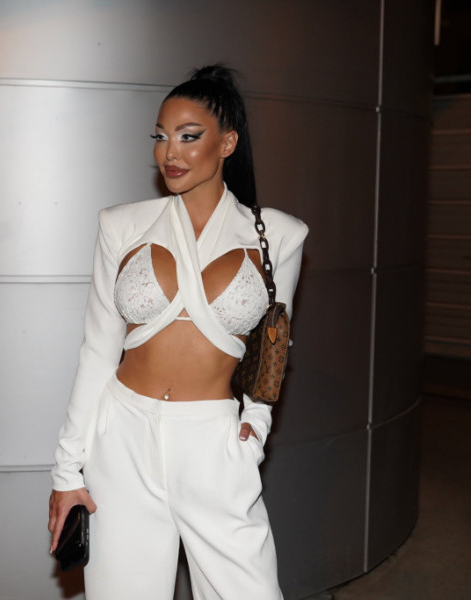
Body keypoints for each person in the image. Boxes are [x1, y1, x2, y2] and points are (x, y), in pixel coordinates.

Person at [47, 64, 308, 600]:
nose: (170, 152)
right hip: (120, 439)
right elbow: (98, 350)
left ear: (227, 143)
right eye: (161, 137)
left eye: (189, 137)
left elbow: (273, 349)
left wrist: (254, 431)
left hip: (213, 444)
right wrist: (66, 472)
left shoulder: (280, 235)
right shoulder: (121, 224)